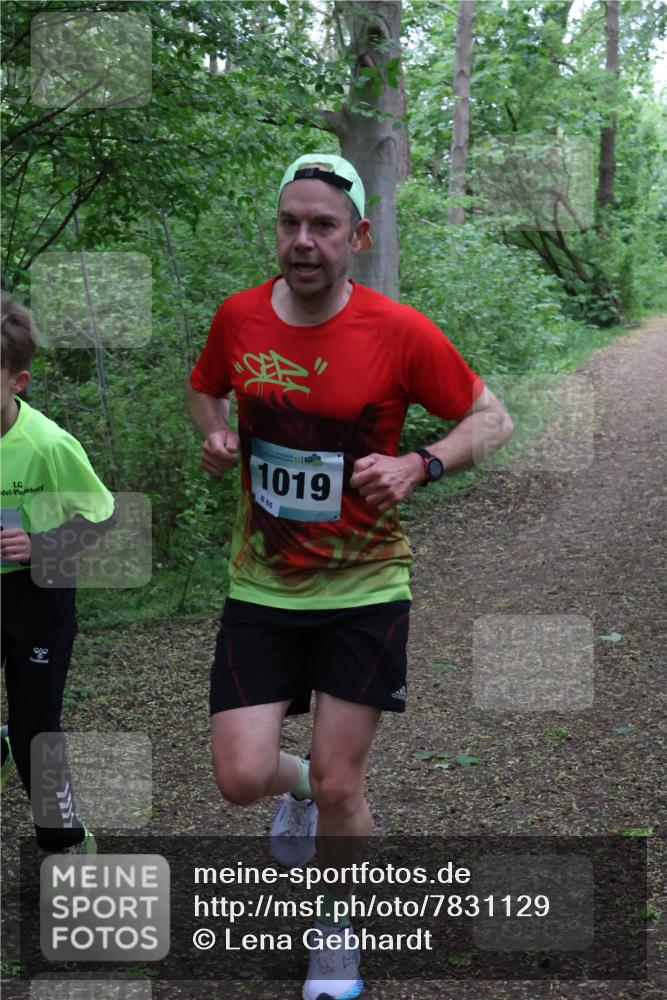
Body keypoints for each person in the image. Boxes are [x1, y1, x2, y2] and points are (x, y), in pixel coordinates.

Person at [186, 153, 513, 999]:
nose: (303, 240)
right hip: (260, 581)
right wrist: (216, 436)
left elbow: (491, 418)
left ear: (356, 237)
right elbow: (204, 391)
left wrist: (422, 464)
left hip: (364, 583)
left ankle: (336, 930)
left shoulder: (398, 331)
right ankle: (295, 796)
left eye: (322, 225)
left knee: (343, 780)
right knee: (239, 779)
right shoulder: (238, 318)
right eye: (290, 222)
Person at [1, 291, 115, 854]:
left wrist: (41, 543)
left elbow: (101, 516)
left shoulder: (48, 445)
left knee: (34, 732)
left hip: (38, 600)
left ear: (17, 381)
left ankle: (65, 841)